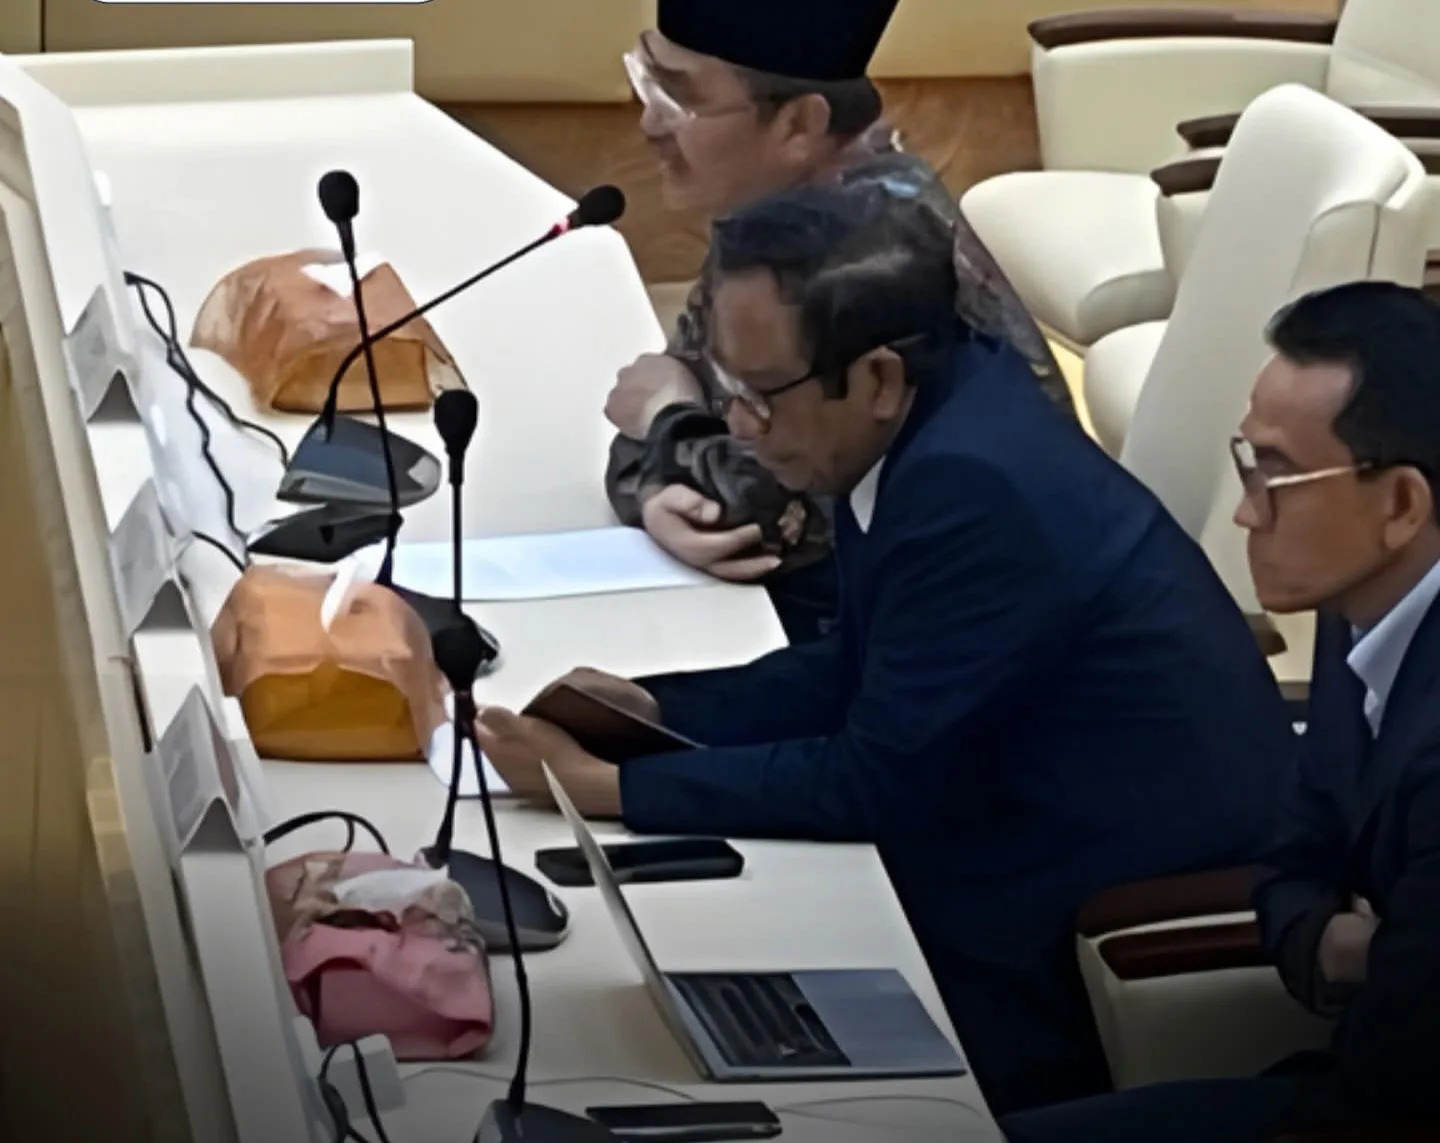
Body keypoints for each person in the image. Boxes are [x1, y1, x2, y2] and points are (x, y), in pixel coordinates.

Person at [478, 182, 1293, 1115]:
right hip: (1000, 816)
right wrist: (658, 707)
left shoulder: (970, 482)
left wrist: (607, 788)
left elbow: (880, 778)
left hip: (1081, 906)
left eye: (760, 395)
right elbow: (858, 662)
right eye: (727, 389)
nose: (737, 426)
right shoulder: (929, 416)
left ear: (874, 378)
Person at [999, 281, 1440, 1143]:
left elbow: (1401, 1068)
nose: (1244, 510)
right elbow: (1289, 861)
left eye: (1276, 475)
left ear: (1400, 506)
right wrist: (1336, 944)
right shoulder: (1361, 605)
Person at [605, 0, 1073, 645]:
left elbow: (772, 517)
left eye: (678, 98)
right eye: (647, 81)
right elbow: (678, 396)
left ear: (799, 123)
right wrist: (664, 478)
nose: (649, 122)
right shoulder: (777, 204)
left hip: (948, 631)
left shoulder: (869, 257)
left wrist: (666, 426)